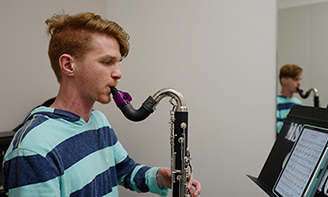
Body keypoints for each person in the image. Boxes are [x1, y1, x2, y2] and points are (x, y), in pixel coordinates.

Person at [2, 12, 201, 197]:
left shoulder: (98, 120)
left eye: (118, 62)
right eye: (107, 62)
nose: (118, 73)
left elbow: (124, 170)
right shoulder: (33, 148)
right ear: (69, 65)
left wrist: (159, 177)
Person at [276, 64, 303, 135]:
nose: (299, 83)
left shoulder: (298, 103)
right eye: (295, 80)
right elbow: (278, 128)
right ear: (283, 80)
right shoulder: (276, 102)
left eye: (300, 80)